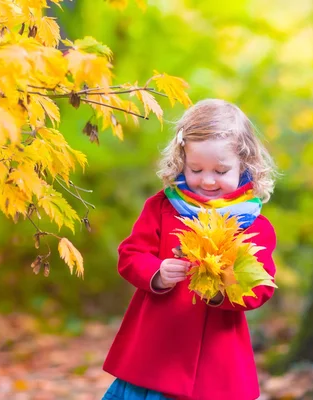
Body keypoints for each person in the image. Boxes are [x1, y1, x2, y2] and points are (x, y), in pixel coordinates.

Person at [102, 99, 278, 400]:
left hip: (215, 361)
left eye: (221, 171)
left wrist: (223, 291)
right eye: (196, 169)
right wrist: (156, 273)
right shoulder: (162, 206)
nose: (207, 180)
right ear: (181, 161)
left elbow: (261, 285)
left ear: (245, 165)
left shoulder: (254, 225)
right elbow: (130, 254)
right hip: (156, 350)